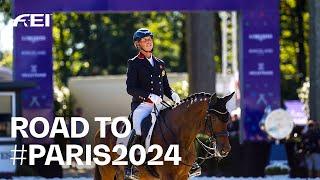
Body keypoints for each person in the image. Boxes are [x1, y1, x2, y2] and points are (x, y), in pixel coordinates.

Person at [125, 28, 181, 177]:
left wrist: (173, 95)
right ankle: (130, 165)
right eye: (144, 40)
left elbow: (166, 87)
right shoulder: (134, 63)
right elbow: (130, 88)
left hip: (159, 105)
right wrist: (149, 96)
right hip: (142, 105)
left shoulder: (160, 63)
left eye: (150, 39)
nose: (148, 42)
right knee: (138, 128)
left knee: (178, 125)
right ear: (138, 44)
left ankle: (188, 162)